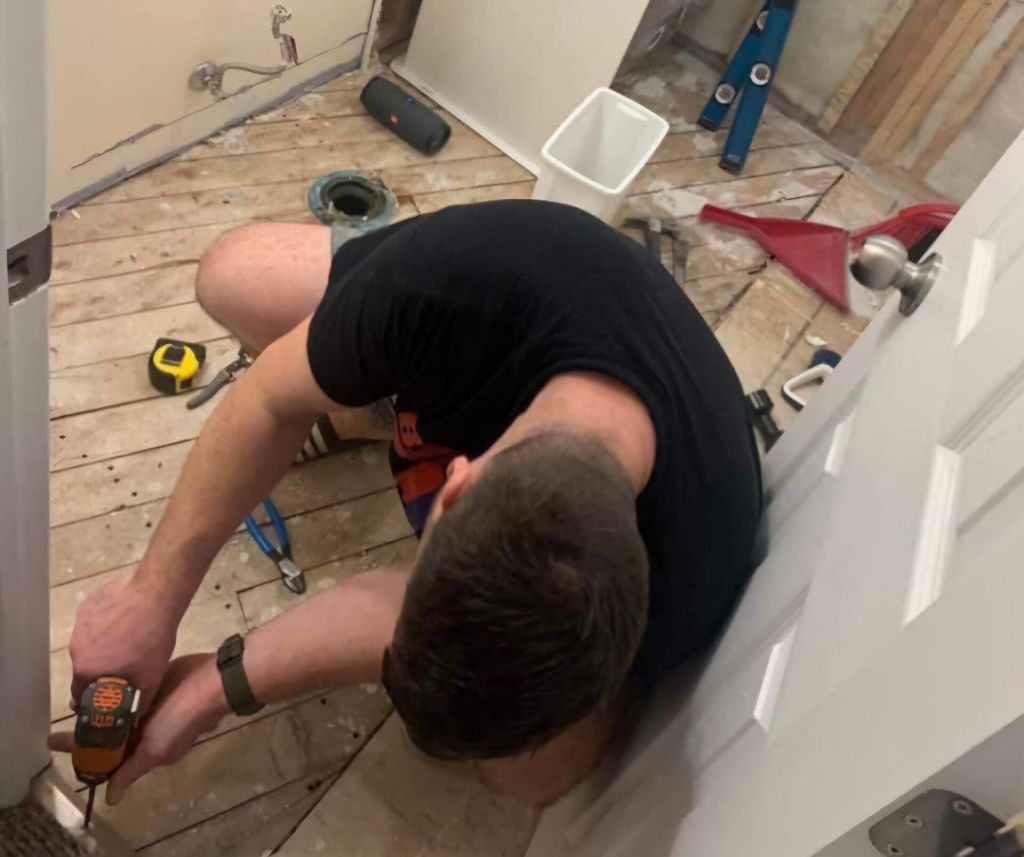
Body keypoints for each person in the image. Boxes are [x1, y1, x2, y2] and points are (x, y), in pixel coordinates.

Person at [51, 200, 762, 807]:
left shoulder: (692, 578)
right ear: (455, 484)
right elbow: (264, 399)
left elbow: (455, 644)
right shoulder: (456, 279)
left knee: (533, 774)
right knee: (233, 274)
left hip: (518, 364)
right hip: (507, 293)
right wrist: (151, 602)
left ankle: (371, 401)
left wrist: (217, 686)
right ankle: (369, 406)